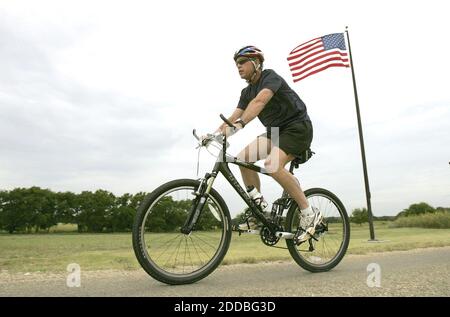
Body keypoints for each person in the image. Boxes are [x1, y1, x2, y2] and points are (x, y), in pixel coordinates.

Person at [216, 45, 322, 242]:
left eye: (242, 62)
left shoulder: (270, 77)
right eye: (236, 64)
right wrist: (214, 135)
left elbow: (259, 102)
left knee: (272, 165)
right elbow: (234, 116)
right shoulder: (246, 92)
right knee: (241, 160)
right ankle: (259, 212)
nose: (238, 67)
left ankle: (308, 212)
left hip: (297, 126)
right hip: (275, 131)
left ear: (256, 63)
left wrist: (239, 126)